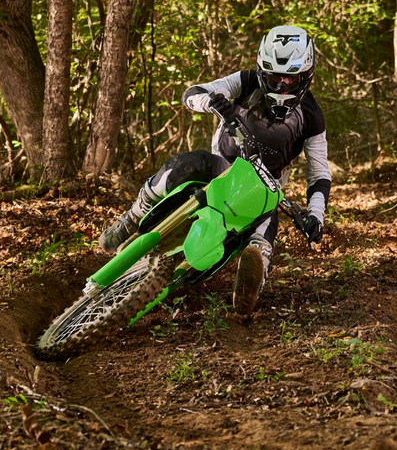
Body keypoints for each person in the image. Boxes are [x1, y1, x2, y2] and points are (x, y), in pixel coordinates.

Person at [99, 24, 331, 318]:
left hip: (261, 189)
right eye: (274, 77)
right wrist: (212, 102)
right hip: (222, 166)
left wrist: (315, 215)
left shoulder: (312, 117)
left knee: (266, 223)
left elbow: (319, 173)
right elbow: (192, 93)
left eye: (291, 78)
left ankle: (253, 274)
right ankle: (133, 218)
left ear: (306, 76)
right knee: (187, 163)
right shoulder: (246, 81)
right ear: (262, 71)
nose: (282, 86)